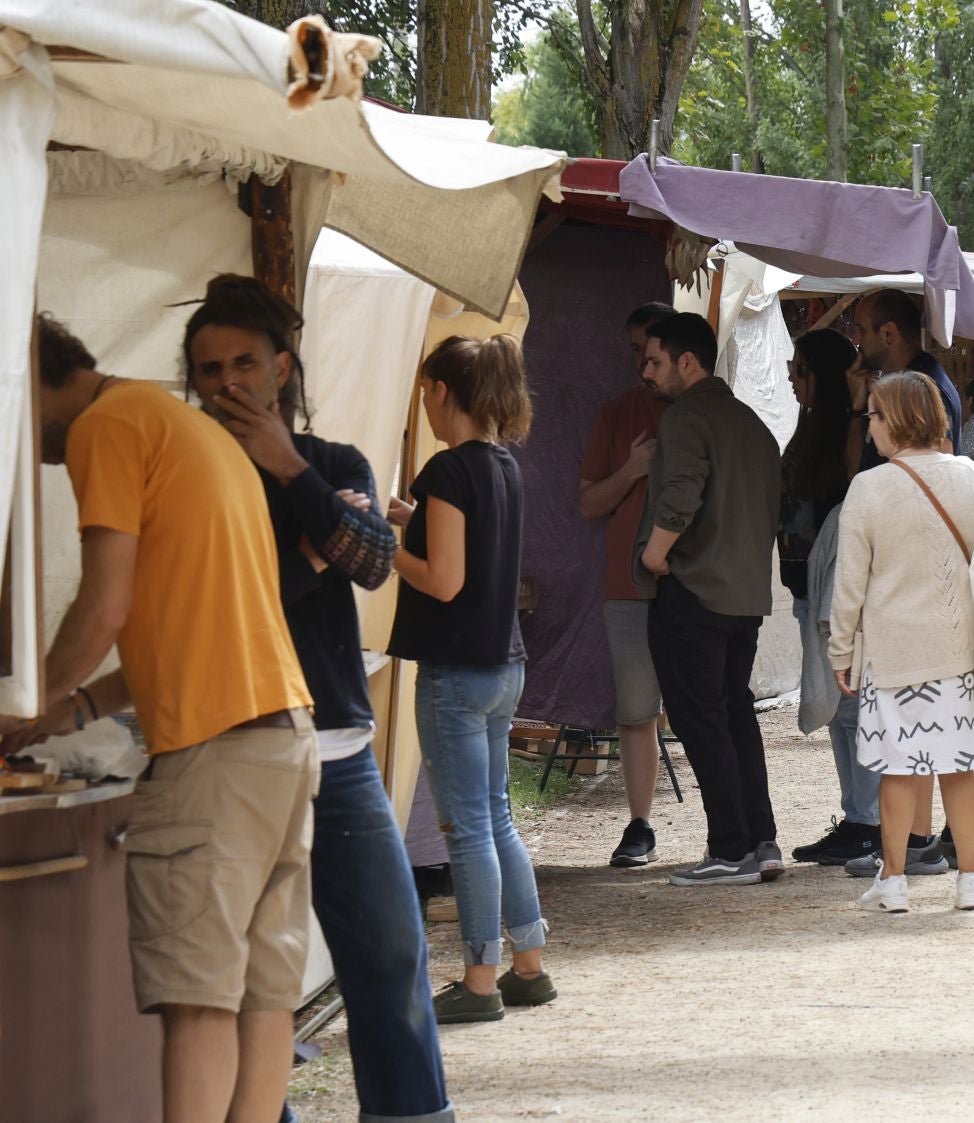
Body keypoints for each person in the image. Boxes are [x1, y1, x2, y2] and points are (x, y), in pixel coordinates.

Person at [3, 314, 316, 1121]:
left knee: (198, 1000)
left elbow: (104, 605)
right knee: (262, 994)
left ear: (27, 379)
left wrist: (23, 701)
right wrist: (67, 706)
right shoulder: (186, 429)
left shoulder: (107, 426)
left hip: (215, 757)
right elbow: (169, 622)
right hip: (281, 737)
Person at [183, 277, 451, 1119]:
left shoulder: (329, 462)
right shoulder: (185, 472)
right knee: (236, 984)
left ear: (281, 368)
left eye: (244, 363)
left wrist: (293, 474)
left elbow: (373, 561)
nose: (227, 381)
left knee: (390, 960)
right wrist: (310, 554)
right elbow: (214, 604)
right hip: (229, 752)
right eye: (208, 368)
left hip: (334, 750)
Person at [388, 334, 554, 1023]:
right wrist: (414, 523)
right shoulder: (502, 465)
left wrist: (385, 546)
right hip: (504, 664)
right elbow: (469, 547)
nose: (423, 402)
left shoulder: (446, 470)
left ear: (442, 393)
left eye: (426, 390)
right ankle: (528, 964)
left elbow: (444, 578)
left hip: (455, 670)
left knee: (467, 830)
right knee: (497, 818)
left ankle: (480, 979)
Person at [830, 372, 974, 913]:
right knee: (959, 767)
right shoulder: (971, 477)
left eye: (875, 417)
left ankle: (894, 881)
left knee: (899, 769)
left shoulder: (868, 488)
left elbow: (850, 584)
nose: (870, 429)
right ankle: (971, 880)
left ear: (898, 420)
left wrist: (841, 650)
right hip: (960, 651)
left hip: (893, 654)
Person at [635, 313, 785, 886]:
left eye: (653, 361)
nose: (645, 372)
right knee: (735, 714)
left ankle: (729, 846)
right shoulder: (752, 423)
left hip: (695, 590)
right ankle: (760, 841)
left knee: (701, 720)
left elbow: (681, 493)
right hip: (744, 596)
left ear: (687, 362)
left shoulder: (686, 418)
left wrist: (654, 553)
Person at [778, 329, 881, 868]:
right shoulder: (813, 425)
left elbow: (847, 487)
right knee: (842, 706)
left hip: (836, 585)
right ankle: (858, 815)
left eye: (800, 371)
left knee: (851, 703)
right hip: (810, 581)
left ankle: (866, 818)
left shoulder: (846, 431)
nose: (793, 381)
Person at [580, 302, 674, 869]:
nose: (640, 363)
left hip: (694, 584)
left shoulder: (706, 413)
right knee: (636, 710)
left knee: (706, 707)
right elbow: (589, 502)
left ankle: (729, 830)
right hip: (627, 584)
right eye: (634, 351)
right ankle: (640, 823)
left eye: (649, 350)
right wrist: (632, 469)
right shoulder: (617, 415)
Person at [851, 288, 961, 461]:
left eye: (861, 329)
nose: (856, 340)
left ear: (888, 334)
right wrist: (858, 408)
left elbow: (939, 463)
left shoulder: (922, 387)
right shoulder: (908, 382)